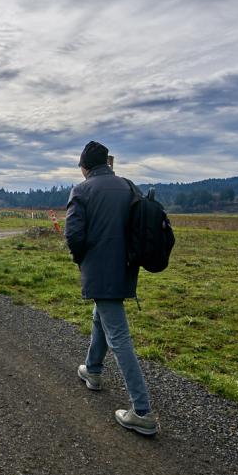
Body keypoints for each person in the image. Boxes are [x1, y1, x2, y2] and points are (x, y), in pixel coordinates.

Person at [66, 141, 158, 435]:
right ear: (107, 162)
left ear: (84, 166)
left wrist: (82, 260)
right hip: (127, 268)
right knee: (101, 317)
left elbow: (73, 236)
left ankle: (142, 412)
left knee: (119, 336)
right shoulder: (129, 186)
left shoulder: (81, 191)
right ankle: (92, 370)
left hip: (100, 269)